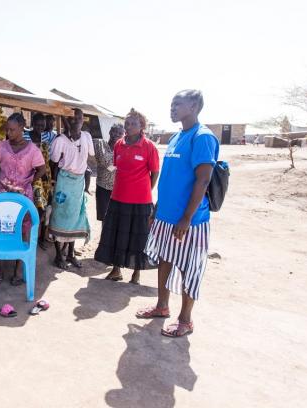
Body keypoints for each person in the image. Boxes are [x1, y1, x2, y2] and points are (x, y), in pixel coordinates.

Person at [136, 90, 219, 338]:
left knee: (188, 269)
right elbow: (170, 179)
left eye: (177, 104)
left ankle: (185, 320)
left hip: (190, 222)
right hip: (166, 217)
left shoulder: (202, 137)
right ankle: (162, 306)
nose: (172, 108)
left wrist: (186, 218)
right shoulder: (176, 137)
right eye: (171, 103)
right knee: (165, 260)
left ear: (193, 106)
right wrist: (158, 209)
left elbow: (203, 181)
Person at [94, 109, 159, 284]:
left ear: (142, 126)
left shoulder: (149, 147)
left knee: (138, 237)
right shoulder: (119, 145)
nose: (128, 127)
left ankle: (136, 273)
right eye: (127, 124)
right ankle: (116, 270)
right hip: (118, 198)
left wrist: (145, 190)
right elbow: (117, 168)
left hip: (141, 201)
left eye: (133, 124)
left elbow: (155, 173)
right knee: (116, 235)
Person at [0, 113, 46, 286]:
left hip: (23, 197)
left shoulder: (33, 150)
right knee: (0, 229)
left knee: (22, 231)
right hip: (3, 196)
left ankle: (17, 270)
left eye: (13, 130)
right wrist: (0, 180)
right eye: (7, 129)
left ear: (22, 128)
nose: (9, 132)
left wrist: (28, 181)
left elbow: (42, 169)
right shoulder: (1, 146)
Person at [48, 108, 94, 269]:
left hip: (78, 182)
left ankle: (71, 254)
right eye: (72, 119)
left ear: (83, 120)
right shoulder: (60, 140)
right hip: (64, 181)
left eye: (79, 118)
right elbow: (53, 160)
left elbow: (91, 155)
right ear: (66, 120)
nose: (76, 121)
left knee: (75, 216)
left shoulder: (87, 137)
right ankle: (58, 255)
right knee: (59, 216)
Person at [25, 113, 53, 249]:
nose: (40, 127)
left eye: (42, 125)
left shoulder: (47, 136)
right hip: (32, 176)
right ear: (32, 124)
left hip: (45, 176)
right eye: (37, 124)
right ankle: (32, 238)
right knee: (38, 207)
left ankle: (40, 238)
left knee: (45, 207)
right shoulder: (25, 136)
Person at [93, 124, 124, 222]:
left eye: (120, 133)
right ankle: (104, 237)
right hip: (103, 188)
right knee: (105, 218)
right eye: (114, 131)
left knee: (116, 218)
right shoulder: (100, 144)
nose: (116, 135)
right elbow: (106, 165)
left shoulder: (123, 149)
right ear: (110, 131)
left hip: (118, 189)